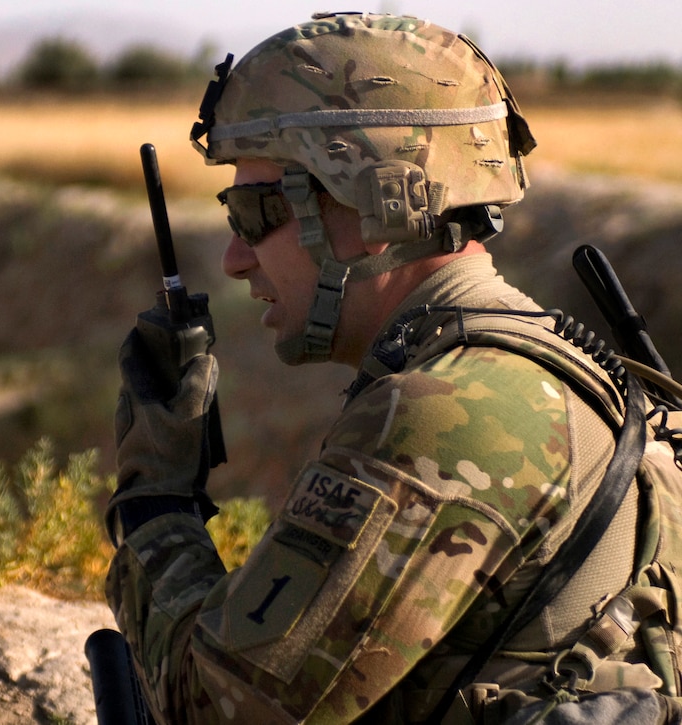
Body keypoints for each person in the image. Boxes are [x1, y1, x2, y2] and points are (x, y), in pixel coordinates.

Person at [104, 12, 682, 725]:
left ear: (380, 201)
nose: (234, 257)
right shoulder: (572, 374)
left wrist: (156, 504)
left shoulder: (447, 412)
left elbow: (217, 708)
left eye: (254, 212)